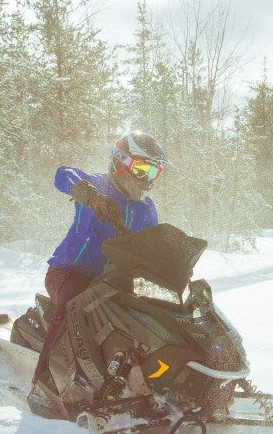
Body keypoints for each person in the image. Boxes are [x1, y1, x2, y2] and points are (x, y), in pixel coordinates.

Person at [30, 131, 170, 390]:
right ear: (120, 162)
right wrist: (88, 194)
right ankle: (43, 382)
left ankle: (139, 385)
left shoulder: (146, 209)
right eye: (141, 168)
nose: (146, 178)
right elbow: (63, 174)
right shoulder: (98, 185)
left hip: (114, 283)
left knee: (144, 321)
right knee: (74, 302)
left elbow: (153, 245)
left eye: (153, 172)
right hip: (69, 273)